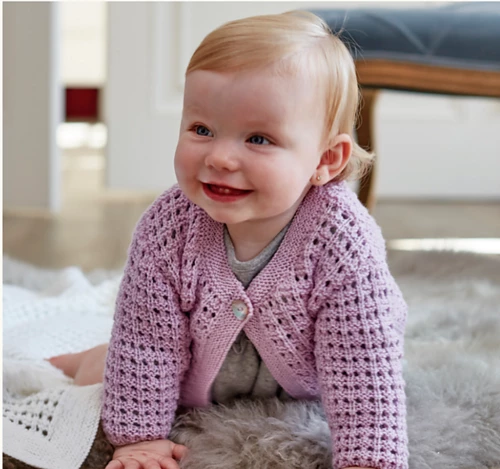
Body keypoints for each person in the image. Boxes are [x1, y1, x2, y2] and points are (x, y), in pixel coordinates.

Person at [49, 10, 409, 469]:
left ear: (326, 159)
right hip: (190, 380)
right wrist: (141, 439)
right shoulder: (168, 228)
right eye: (202, 130)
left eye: (258, 139)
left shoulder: (341, 241)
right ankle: (74, 358)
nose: (219, 157)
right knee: (105, 371)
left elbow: (363, 361)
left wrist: (367, 459)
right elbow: (145, 341)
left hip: (303, 387)